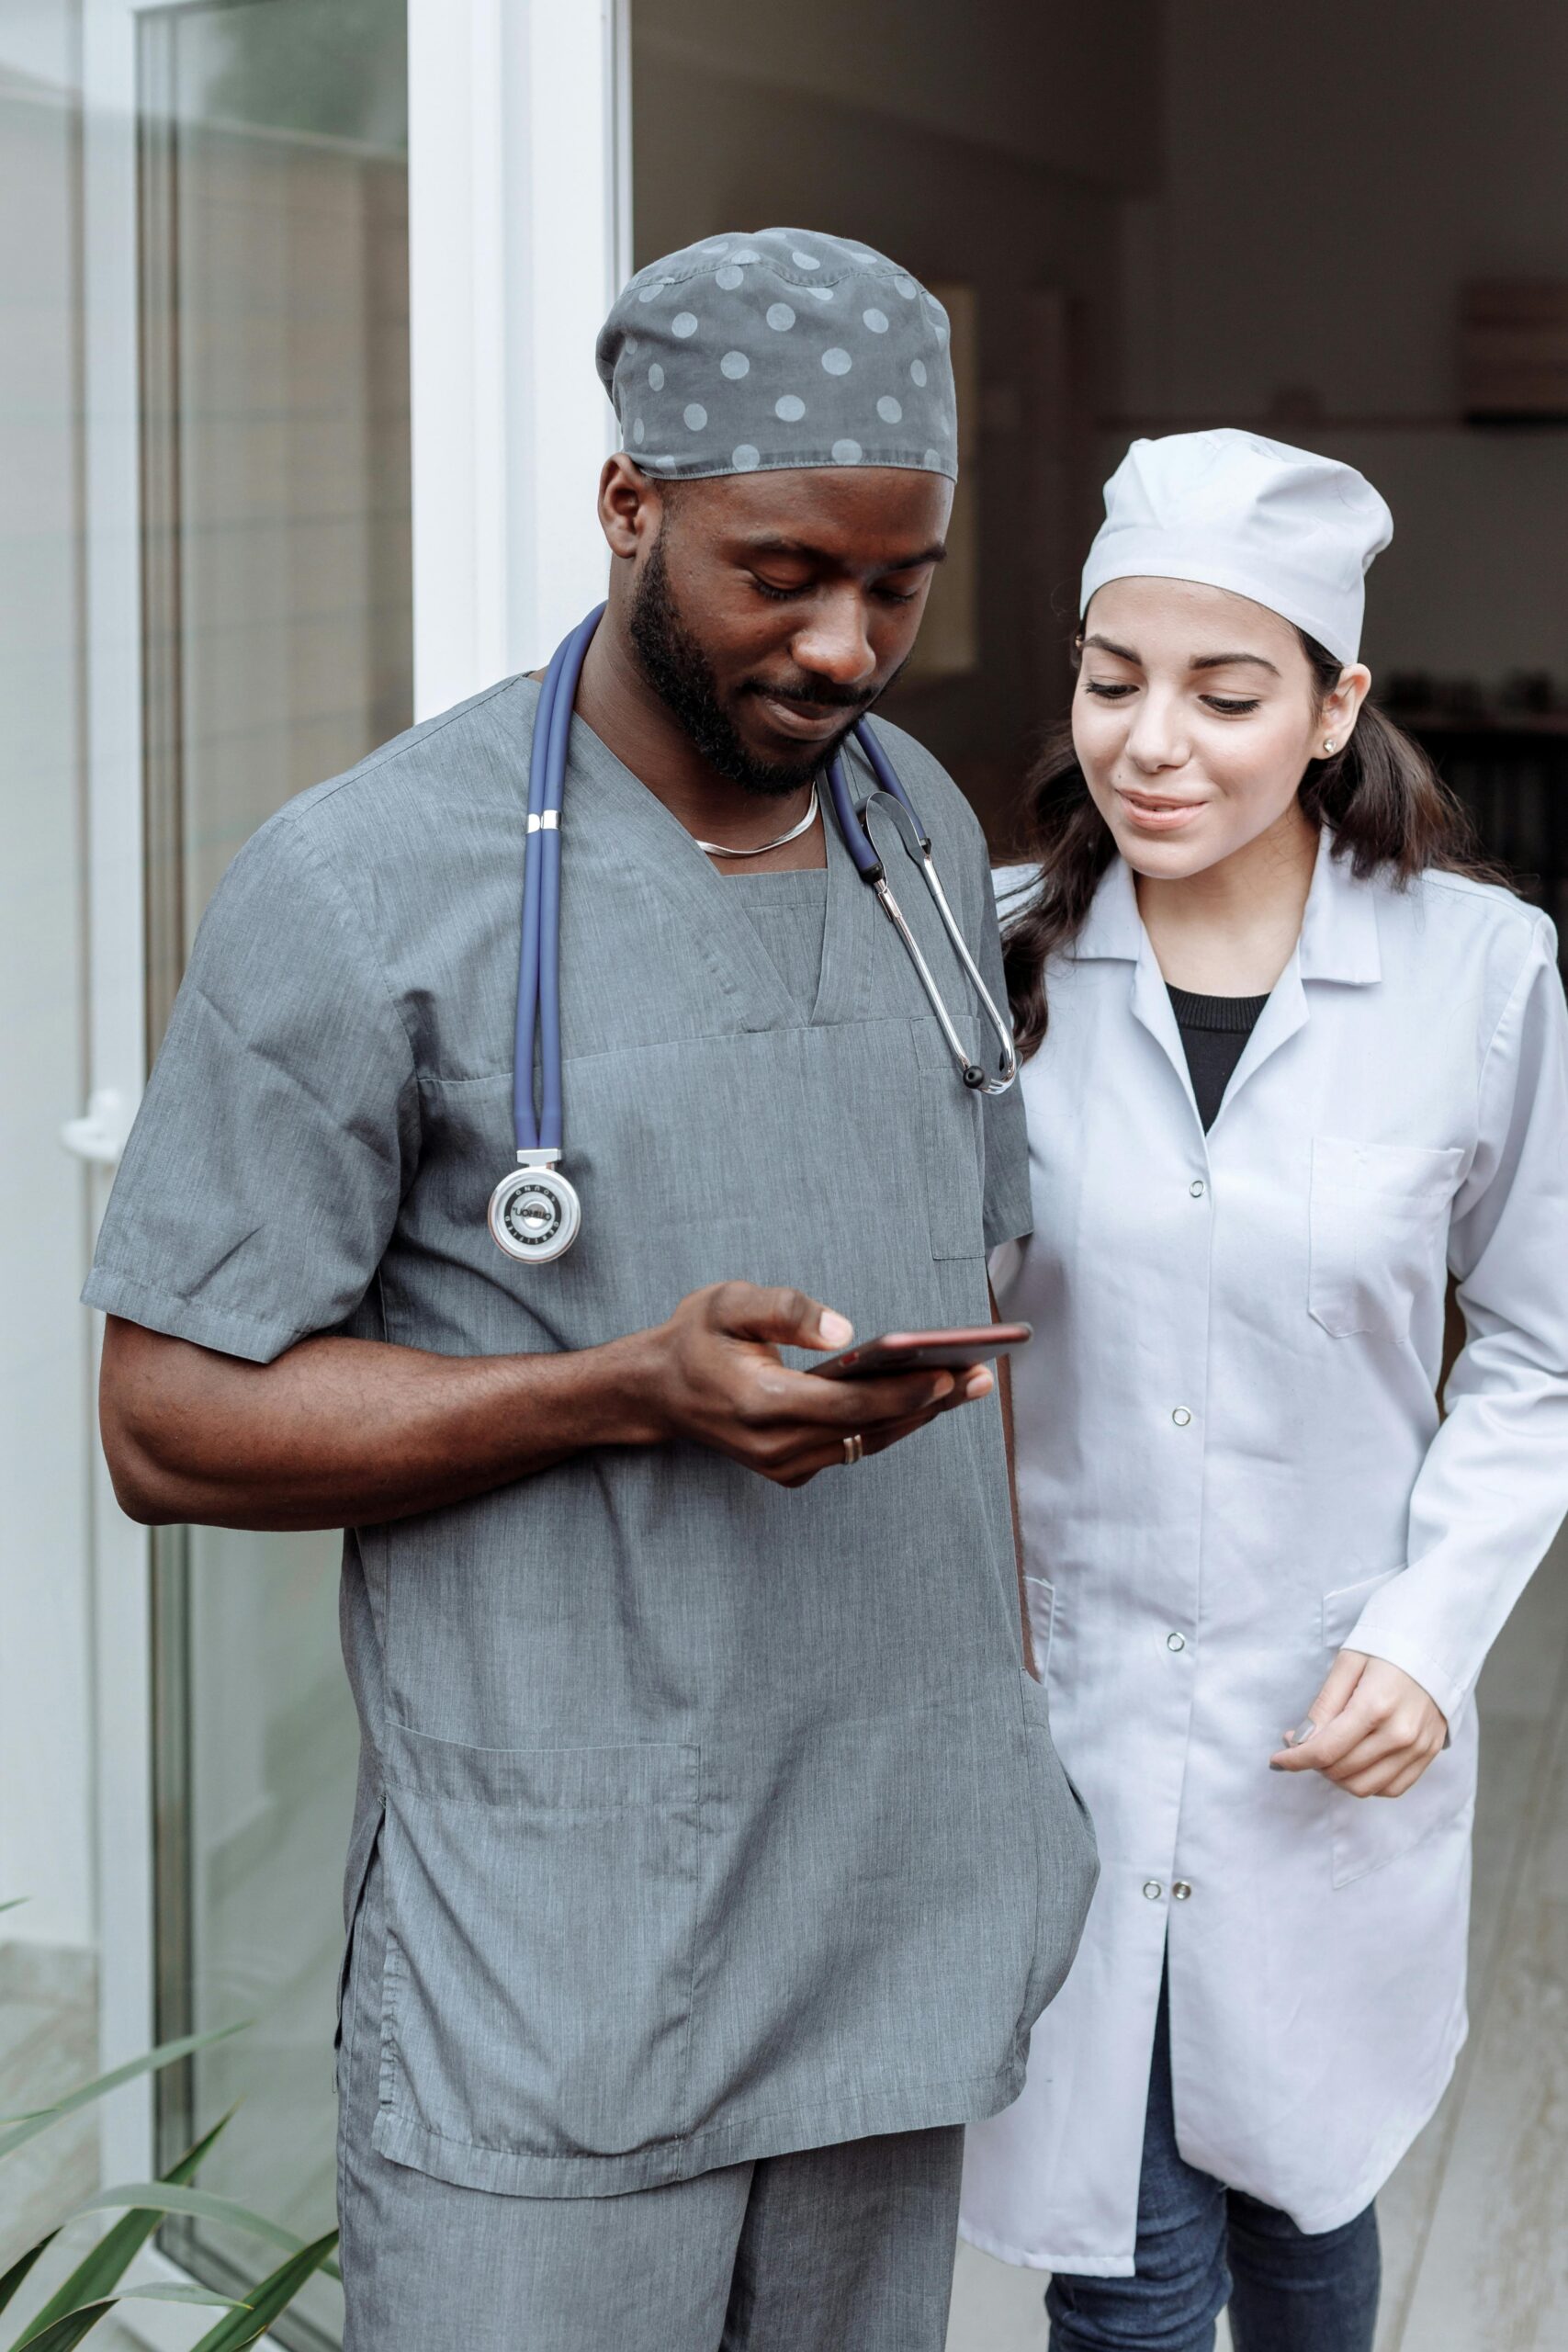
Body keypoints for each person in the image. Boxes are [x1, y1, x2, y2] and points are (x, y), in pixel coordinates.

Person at [85, 226, 1098, 2352]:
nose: (844, 646)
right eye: (780, 570)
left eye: (895, 583)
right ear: (630, 504)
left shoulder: (910, 827)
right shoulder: (367, 885)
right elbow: (166, 1416)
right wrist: (621, 1386)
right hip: (563, 1960)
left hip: (889, 1920)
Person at [961, 429, 1568, 2351]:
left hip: (1326, 1719)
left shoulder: (1478, 972)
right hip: (1058, 1715)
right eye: (1110, 677)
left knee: (1304, 2208)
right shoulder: (984, 963)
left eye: (1224, 693)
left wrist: (1426, 1631)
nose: (1151, 741)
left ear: (1330, 706)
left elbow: (1542, 1344)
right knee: (1127, 2271)